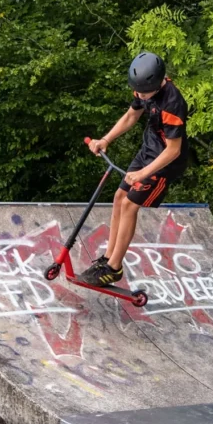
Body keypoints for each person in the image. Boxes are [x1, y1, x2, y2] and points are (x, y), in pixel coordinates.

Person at [79, 51, 190, 286]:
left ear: (159, 82)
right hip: (147, 151)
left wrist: (143, 173)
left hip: (164, 162)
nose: (140, 95)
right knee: (119, 196)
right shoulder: (144, 87)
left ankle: (114, 268)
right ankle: (107, 258)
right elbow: (131, 116)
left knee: (130, 205)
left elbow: (173, 151)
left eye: (144, 92)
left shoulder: (173, 103)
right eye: (137, 91)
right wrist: (106, 139)